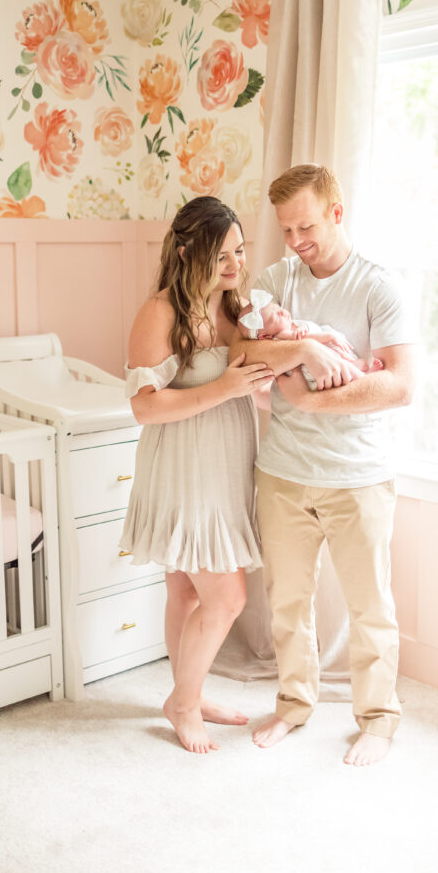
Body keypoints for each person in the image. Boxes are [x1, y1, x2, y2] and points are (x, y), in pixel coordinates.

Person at [230, 163, 415, 767]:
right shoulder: (275, 279)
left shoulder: (377, 287)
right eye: (286, 230)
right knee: (287, 601)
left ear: (337, 213)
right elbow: (241, 348)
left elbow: (400, 386)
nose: (295, 241)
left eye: (305, 226)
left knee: (370, 607)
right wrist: (305, 348)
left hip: (357, 476)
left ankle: (378, 718)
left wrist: (311, 399)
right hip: (282, 471)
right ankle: (293, 702)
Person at [119, 196, 272, 755]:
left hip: (226, 465)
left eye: (240, 251)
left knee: (185, 587)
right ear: (188, 252)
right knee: (226, 595)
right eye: (222, 254)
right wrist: (226, 388)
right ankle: (182, 703)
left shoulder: (237, 308)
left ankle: (191, 689)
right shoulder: (160, 312)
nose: (235, 265)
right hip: (183, 466)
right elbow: (145, 408)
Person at [237, 288, 384, 377]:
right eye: (276, 316)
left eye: (277, 308)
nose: (282, 312)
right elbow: (305, 340)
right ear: (265, 336)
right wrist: (328, 336)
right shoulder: (282, 335)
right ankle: (361, 375)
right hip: (318, 359)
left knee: (341, 360)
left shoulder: (285, 326)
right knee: (340, 368)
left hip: (323, 349)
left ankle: (354, 365)